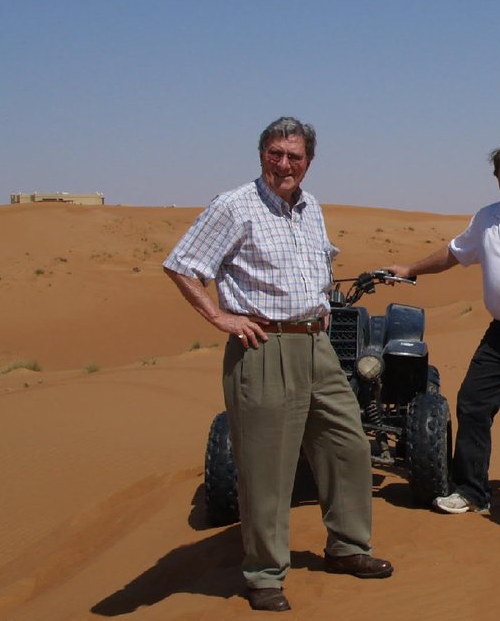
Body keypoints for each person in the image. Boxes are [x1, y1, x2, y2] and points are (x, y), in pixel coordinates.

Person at [164, 117, 393, 613]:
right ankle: (264, 574)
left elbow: (317, 268)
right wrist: (219, 316)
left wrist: (322, 308)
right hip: (264, 346)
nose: (284, 164)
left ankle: (348, 547)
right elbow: (182, 265)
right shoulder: (235, 205)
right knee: (266, 468)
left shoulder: (312, 209)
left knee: (348, 445)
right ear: (261, 154)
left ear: (309, 161)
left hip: (317, 346)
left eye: (294, 156)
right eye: (275, 153)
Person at [385, 141, 500, 524]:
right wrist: (411, 270)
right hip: (499, 335)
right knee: (472, 404)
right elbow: (454, 253)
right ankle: (472, 491)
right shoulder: (486, 218)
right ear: (497, 178)